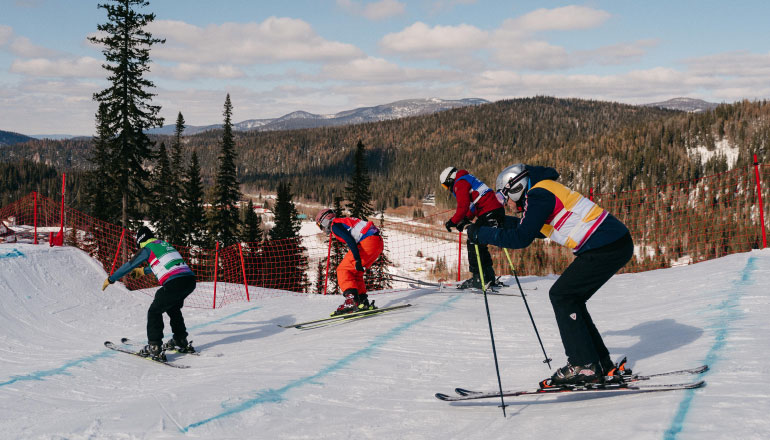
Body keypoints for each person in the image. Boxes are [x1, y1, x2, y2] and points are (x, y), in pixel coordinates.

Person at [466, 164, 633, 387]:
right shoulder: (541, 190)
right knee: (571, 298)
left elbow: (521, 238)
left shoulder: (538, 194)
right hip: (612, 243)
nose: (507, 204)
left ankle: (584, 365)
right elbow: (535, 230)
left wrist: (480, 233)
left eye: (505, 197)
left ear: (516, 188)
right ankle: (599, 364)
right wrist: (498, 223)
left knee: (563, 296)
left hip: (605, 246)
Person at [101, 226, 197, 360]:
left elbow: (130, 265)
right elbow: (163, 263)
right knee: (173, 308)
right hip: (190, 280)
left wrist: (111, 279)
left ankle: (154, 347)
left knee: (154, 311)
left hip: (174, 282)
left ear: (140, 241)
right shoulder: (163, 244)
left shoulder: (147, 248)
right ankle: (180, 340)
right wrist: (143, 271)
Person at [439, 166, 505, 289]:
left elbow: (463, 206)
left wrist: (452, 222)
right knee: (479, 242)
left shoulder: (460, 182)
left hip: (489, 211)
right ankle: (488, 276)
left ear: (450, 179)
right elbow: (475, 204)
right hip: (494, 210)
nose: (447, 189)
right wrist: (465, 219)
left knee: (473, 241)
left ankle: (478, 278)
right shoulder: (467, 179)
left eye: (445, 185)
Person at [316, 209, 384, 316]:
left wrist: (357, 259)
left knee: (343, 270)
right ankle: (362, 301)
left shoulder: (335, 225)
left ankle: (351, 301)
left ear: (325, 220)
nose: (322, 229)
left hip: (367, 242)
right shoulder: (344, 221)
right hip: (377, 242)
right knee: (356, 272)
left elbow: (349, 240)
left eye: (320, 225)